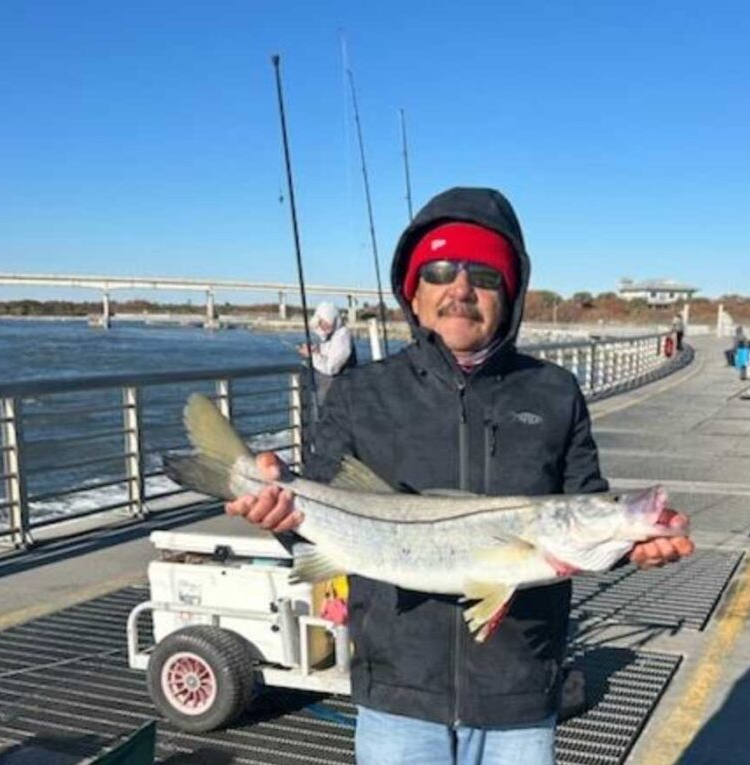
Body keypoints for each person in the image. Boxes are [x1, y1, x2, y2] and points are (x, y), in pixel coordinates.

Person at [227, 187, 694, 765]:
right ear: (414, 293)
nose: (461, 289)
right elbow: (315, 519)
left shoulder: (555, 393)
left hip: (519, 689)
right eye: (441, 271)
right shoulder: (360, 392)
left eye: (485, 275)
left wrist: (630, 544)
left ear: (511, 294)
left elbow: (583, 506)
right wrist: (275, 512)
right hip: (398, 686)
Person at [297, 300, 357, 407]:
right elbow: (328, 352)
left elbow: (331, 368)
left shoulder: (342, 336)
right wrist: (316, 350)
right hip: (331, 394)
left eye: (326, 322)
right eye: (321, 323)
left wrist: (312, 356)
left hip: (339, 394)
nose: (323, 326)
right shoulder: (332, 335)